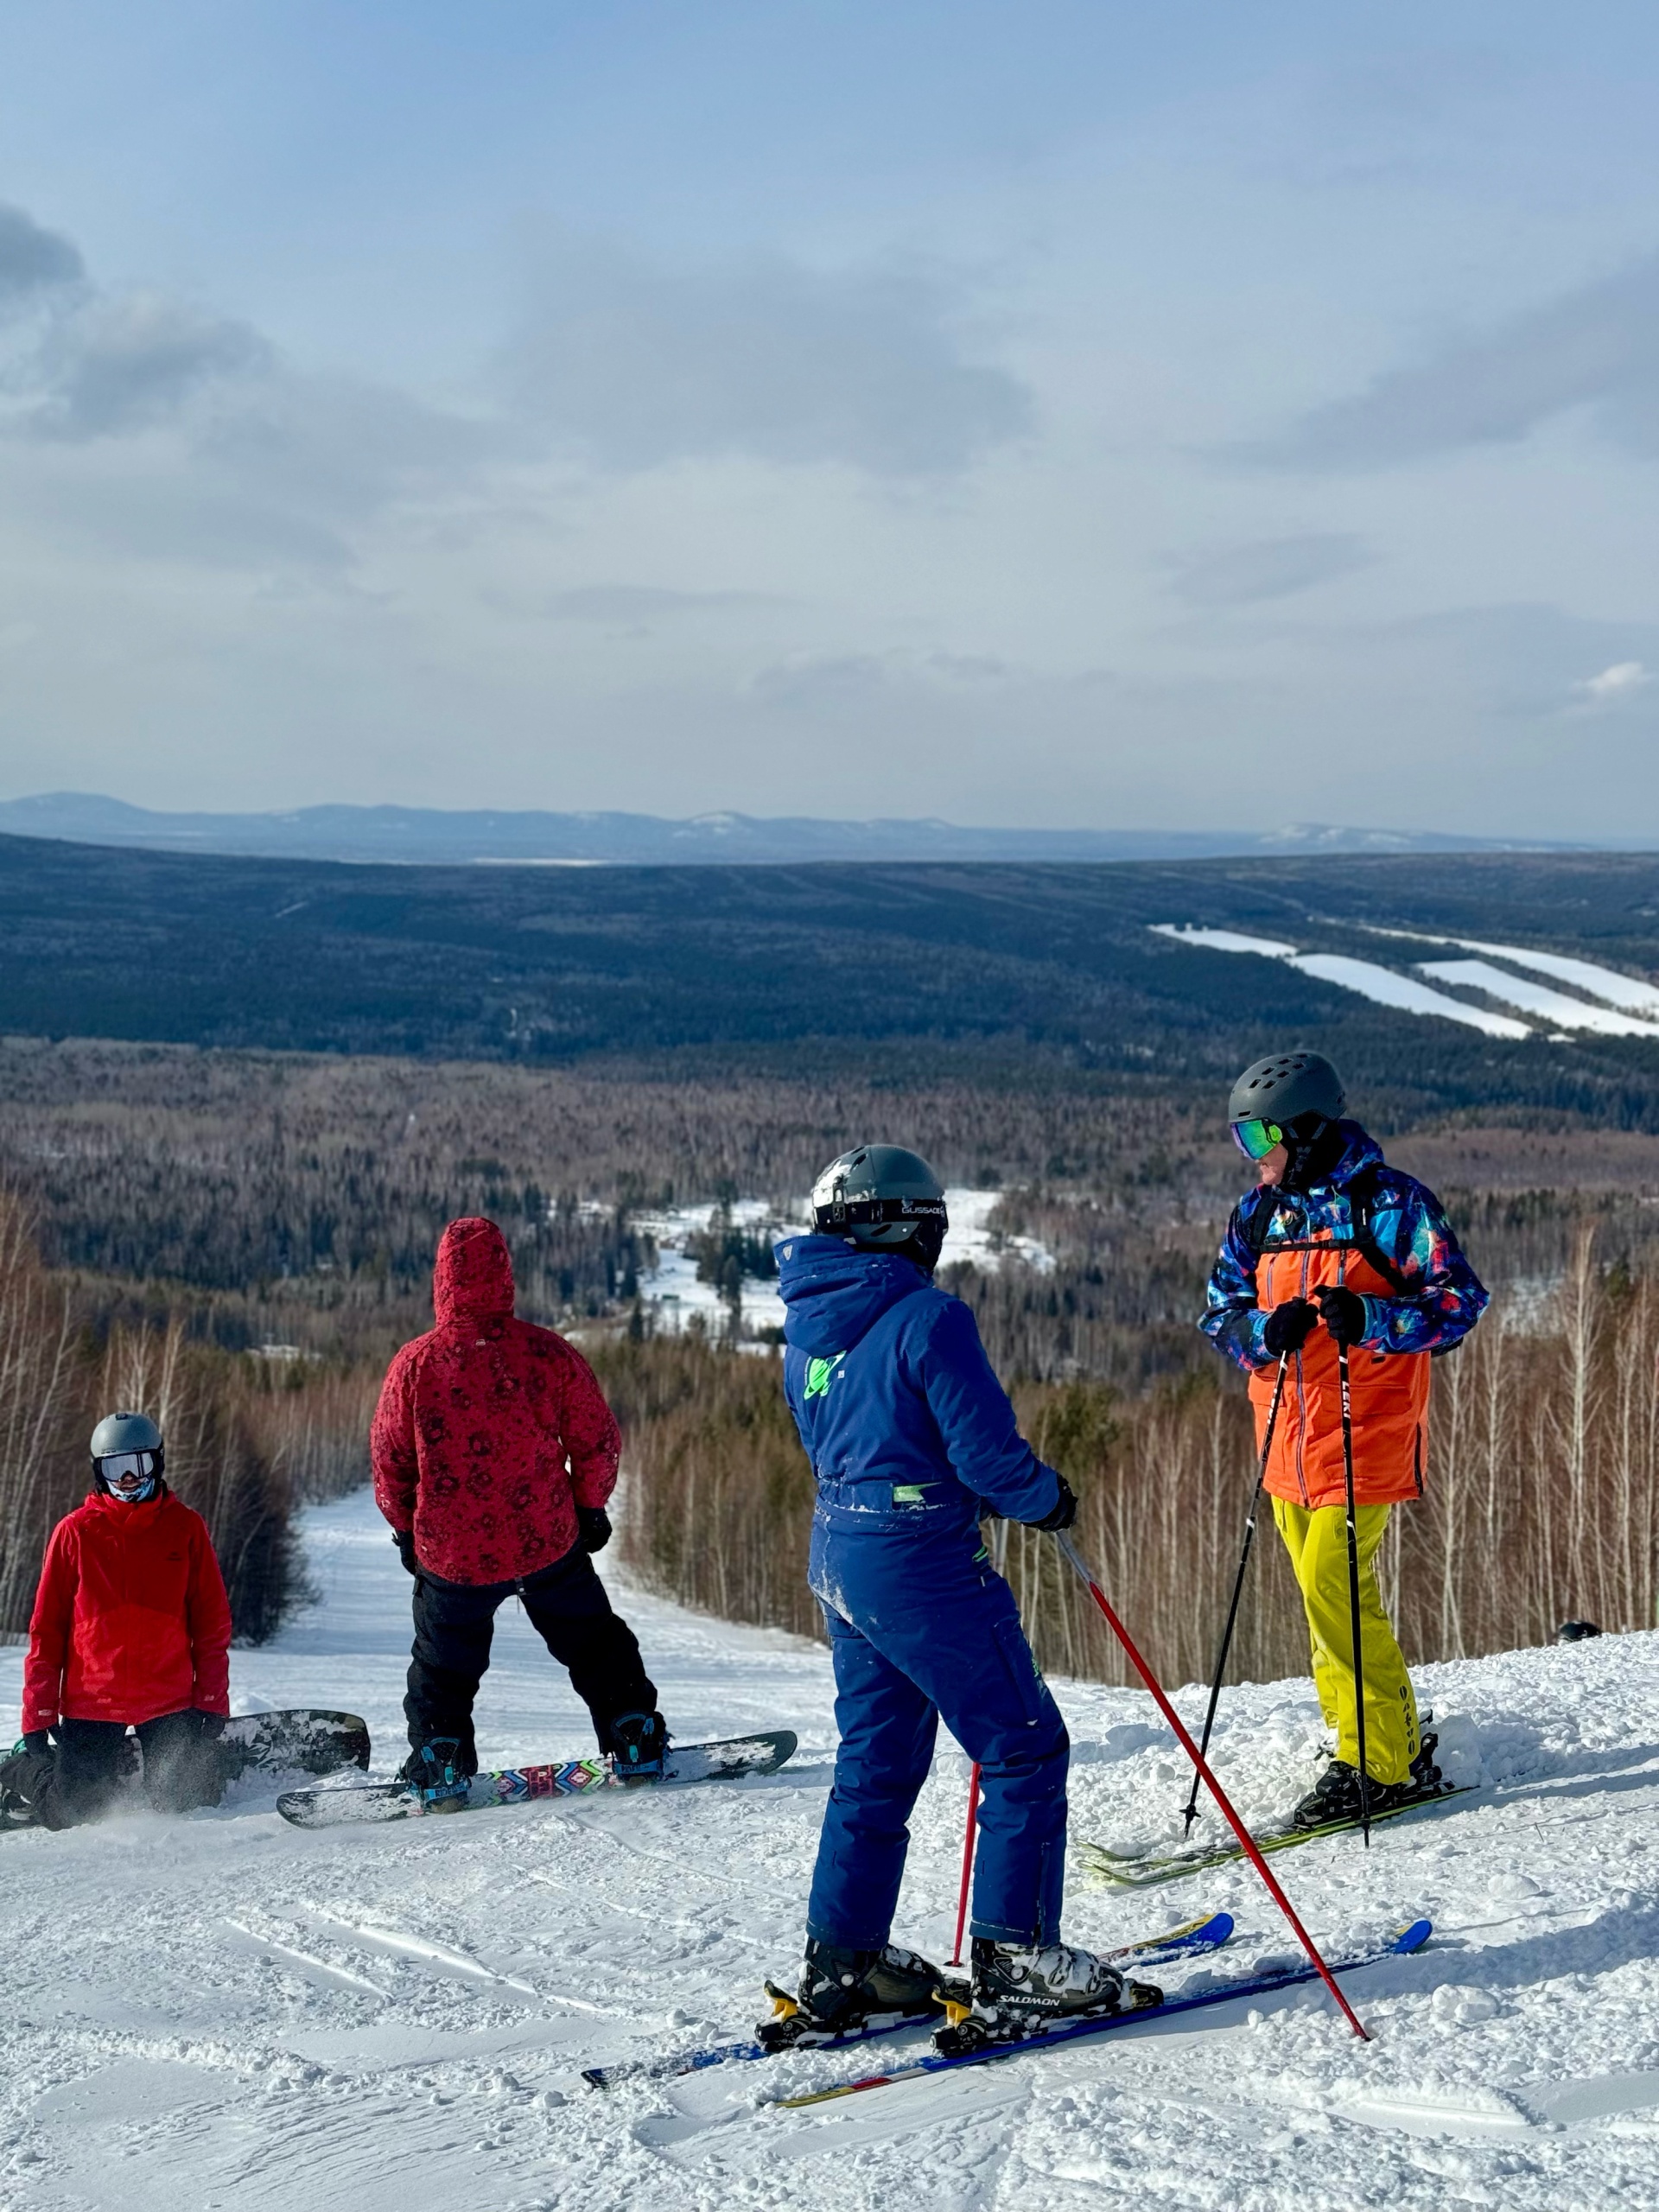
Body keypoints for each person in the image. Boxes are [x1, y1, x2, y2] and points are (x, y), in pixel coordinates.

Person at [767, 1146, 1157, 2048]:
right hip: (921, 1561)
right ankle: (1018, 1955)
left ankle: (845, 1961)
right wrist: (1044, 1497)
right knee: (1022, 1746)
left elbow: (846, 1442)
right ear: (909, 1227)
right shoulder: (930, 1318)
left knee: (877, 1759)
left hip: (843, 1549)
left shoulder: (805, 1328)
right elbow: (982, 1455)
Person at [1200, 1050, 1489, 1827]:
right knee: (1317, 1588)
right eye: (1242, 1142)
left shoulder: (1391, 1206)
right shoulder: (1257, 1216)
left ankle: (1378, 1764)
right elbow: (1220, 1311)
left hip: (1368, 1429)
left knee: (1334, 1579)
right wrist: (1265, 1330)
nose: (1253, 1158)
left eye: (1261, 1139)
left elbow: (1460, 1303)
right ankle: (1367, 1731)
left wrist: (1372, 1320)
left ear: (1309, 1129)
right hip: (1286, 1437)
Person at [372, 1215, 667, 1807]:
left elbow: (390, 1459)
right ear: (506, 1274)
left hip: (453, 1557)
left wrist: (405, 1528)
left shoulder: (415, 1365)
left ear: (441, 1282)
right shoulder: (545, 1354)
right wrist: (589, 1508)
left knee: (442, 1670)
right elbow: (598, 1441)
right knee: (595, 1645)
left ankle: (442, 1757)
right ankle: (631, 1733)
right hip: (546, 1542)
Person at [0, 1412, 232, 1829]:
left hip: (167, 1698)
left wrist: (212, 1698)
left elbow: (211, 1624)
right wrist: (38, 1713)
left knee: (190, 1802)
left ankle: (145, 1757)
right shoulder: (75, 1532)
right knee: (70, 1815)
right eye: (114, 1467)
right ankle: (18, 1768)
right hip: (94, 1701)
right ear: (98, 1470)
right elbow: (46, 1631)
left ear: (157, 1463)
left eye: (137, 1465)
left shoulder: (185, 1528)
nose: (127, 1478)